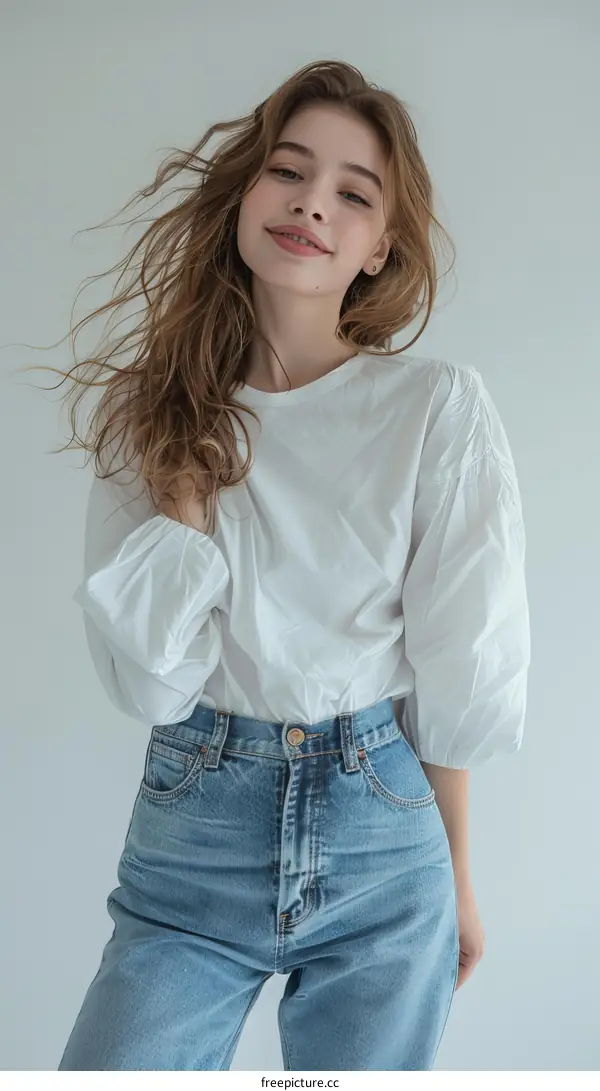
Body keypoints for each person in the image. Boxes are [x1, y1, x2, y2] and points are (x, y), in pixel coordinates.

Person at [31, 59, 530, 1070]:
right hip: (192, 834)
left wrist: (459, 876)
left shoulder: (436, 408)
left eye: (354, 192)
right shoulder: (154, 410)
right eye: (288, 171)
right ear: (244, 195)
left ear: (380, 246)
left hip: (383, 835)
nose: (312, 202)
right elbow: (149, 683)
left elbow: (458, 666)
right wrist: (184, 500)